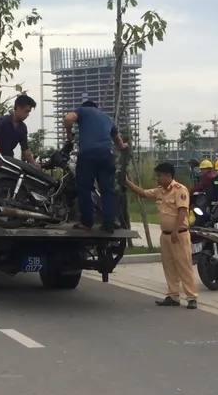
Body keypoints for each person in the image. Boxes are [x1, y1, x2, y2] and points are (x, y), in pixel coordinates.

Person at [125, 163, 198, 309]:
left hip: (179, 234)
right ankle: (173, 296)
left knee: (184, 266)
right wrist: (127, 182)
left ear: (169, 176)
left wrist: (176, 231)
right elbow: (143, 193)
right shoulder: (160, 191)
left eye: (159, 176)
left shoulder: (180, 190)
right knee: (169, 266)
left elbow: (183, 211)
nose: (157, 179)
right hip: (165, 235)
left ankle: (191, 297)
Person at [63, 99, 128, 232]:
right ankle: (109, 223)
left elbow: (68, 118)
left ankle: (87, 223)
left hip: (88, 155)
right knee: (108, 190)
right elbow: (119, 142)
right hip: (106, 155)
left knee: (84, 188)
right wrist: (124, 146)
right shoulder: (107, 118)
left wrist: (69, 135)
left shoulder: (83, 111)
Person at [0, 94, 39, 167]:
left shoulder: (23, 128)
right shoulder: (3, 121)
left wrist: (34, 163)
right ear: (18, 108)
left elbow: (25, 149)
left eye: (29, 112)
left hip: (9, 161)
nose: (27, 115)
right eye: (26, 111)